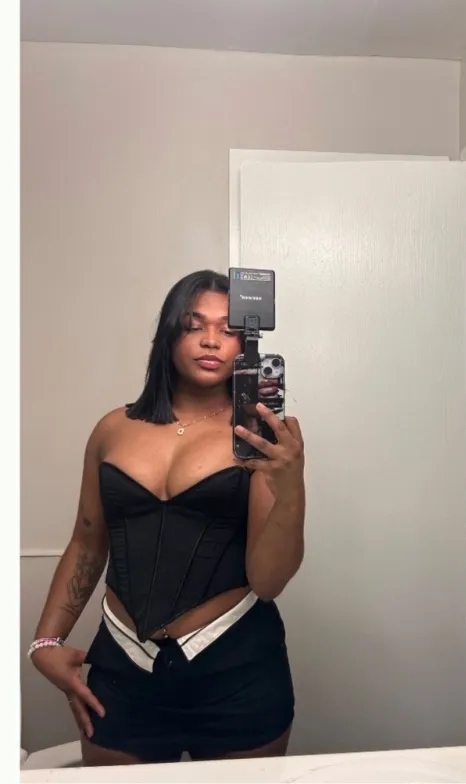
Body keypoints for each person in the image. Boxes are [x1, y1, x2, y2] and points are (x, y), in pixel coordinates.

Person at [30, 270, 305, 766]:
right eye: (193, 325)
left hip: (237, 670)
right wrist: (45, 642)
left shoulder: (258, 436)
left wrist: (290, 489)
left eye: (228, 330)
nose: (210, 340)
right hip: (122, 669)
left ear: (247, 343)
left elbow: (268, 582)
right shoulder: (112, 428)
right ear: (169, 335)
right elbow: (88, 542)